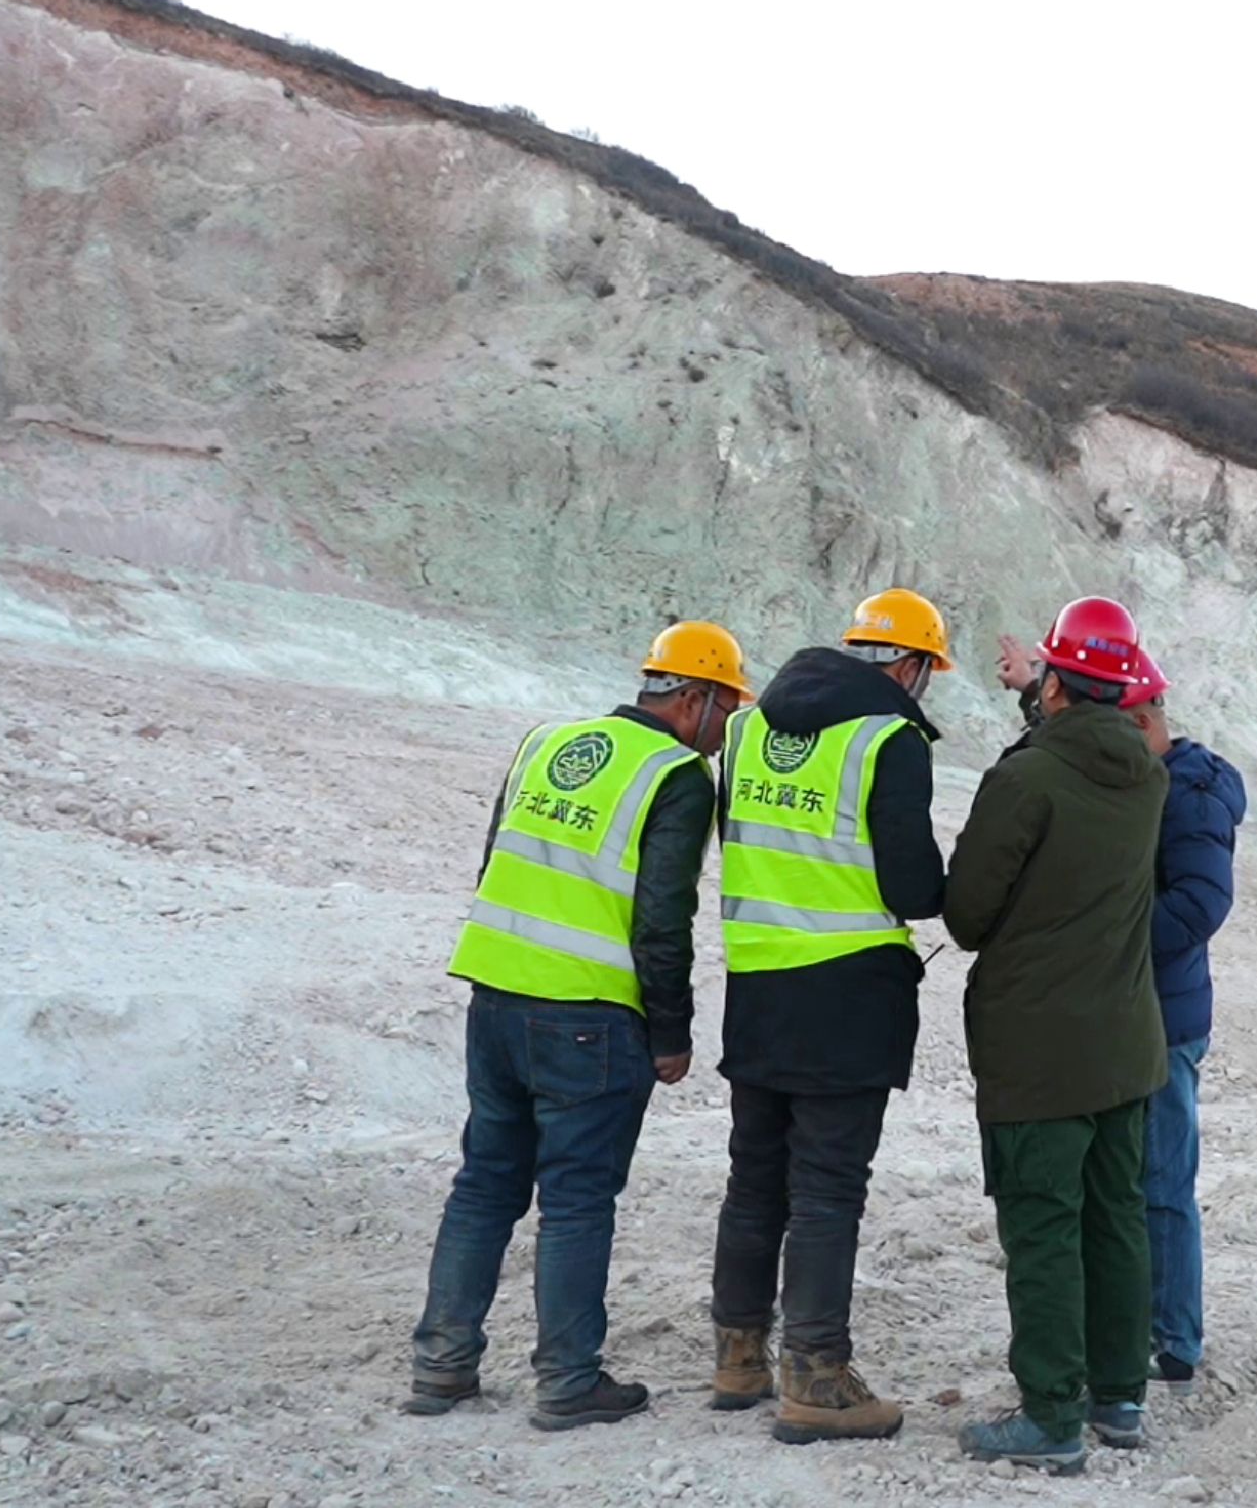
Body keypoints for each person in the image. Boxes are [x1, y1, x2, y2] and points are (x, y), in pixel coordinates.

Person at [406, 621, 748, 1430]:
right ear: (694, 698)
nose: (726, 731)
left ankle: (442, 1364)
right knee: (577, 1199)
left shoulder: (546, 740)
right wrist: (671, 1031)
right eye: (727, 710)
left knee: (485, 1183)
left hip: (495, 993)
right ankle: (567, 1379)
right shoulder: (677, 775)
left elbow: (495, 859)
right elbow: (662, 917)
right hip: (586, 1015)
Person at [705, 589, 956, 1442]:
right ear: (912, 666)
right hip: (846, 993)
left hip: (756, 984)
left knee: (754, 1176)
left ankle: (738, 1355)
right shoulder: (888, 738)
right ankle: (815, 1376)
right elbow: (911, 887)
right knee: (826, 1187)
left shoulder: (747, 728)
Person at [946, 597, 1169, 1475]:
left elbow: (967, 915)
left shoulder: (1027, 779)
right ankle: (1119, 1395)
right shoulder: (1147, 776)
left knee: (1043, 1226)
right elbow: (1078, 743)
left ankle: (1051, 1414)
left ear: (1056, 685)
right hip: (1125, 1043)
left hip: (1038, 1050)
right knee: (1116, 1217)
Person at [1115, 649, 1245, 1388]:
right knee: (1136, 1180)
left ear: (1141, 723)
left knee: (1162, 1182)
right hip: (1141, 1008)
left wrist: (1107, 935)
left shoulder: (1189, 795)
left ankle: (1174, 1339)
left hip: (1165, 1017)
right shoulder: (1158, 779)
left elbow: (1200, 905)